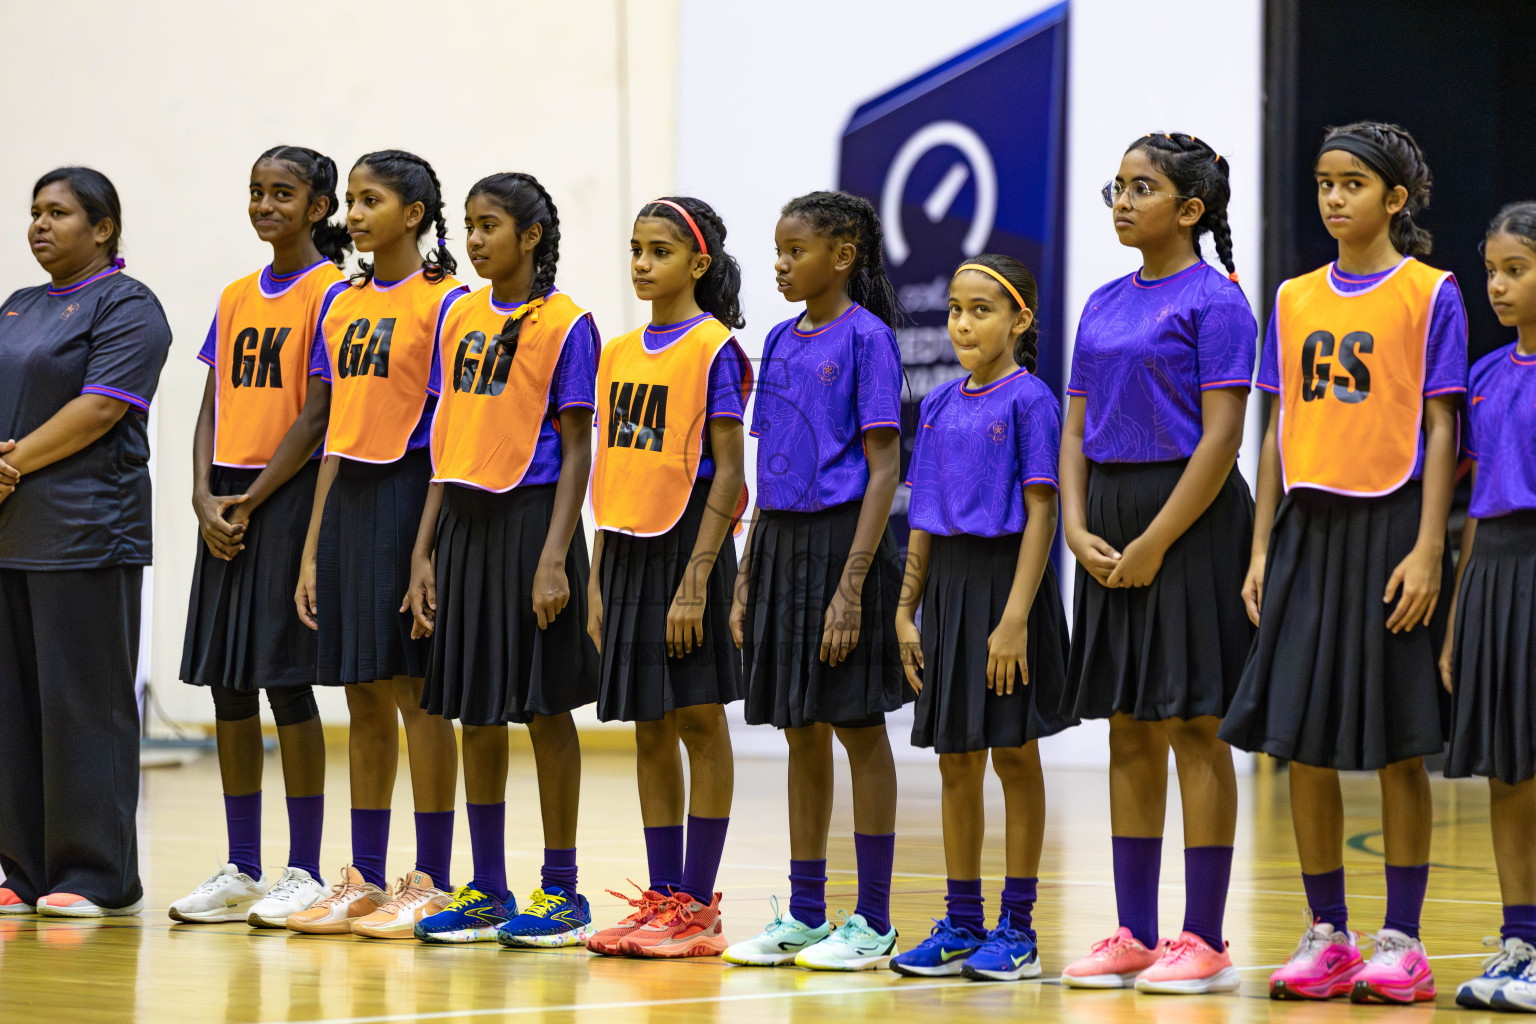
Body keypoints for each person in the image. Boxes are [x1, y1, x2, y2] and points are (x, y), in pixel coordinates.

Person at [1221, 122, 1465, 1006]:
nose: (1333, 197)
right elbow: (1277, 426)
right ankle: (1328, 933)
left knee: (1400, 746)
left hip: (1393, 526)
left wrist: (1431, 546)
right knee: (1301, 744)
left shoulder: (1431, 293)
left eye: (1353, 183)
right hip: (1307, 530)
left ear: (1395, 199)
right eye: (1325, 182)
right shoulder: (1291, 298)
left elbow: (1441, 425)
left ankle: (1404, 939)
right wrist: (1260, 543)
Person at [1058, 132, 1255, 995]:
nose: (1123, 201)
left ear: (1190, 209)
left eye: (1143, 188)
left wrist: (1157, 541)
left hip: (1190, 521)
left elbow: (1222, 438)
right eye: (1118, 186)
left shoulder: (1219, 305)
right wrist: (1073, 523)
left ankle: (1202, 938)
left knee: (1193, 725)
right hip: (1105, 520)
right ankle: (1134, 933)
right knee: (1128, 725)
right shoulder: (1100, 301)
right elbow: (1073, 429)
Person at [407, 172, 601, 948]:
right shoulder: (457, 316)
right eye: (470, 225)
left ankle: (562, 890)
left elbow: (579, 447)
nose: (476, 238)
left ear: (531, 237)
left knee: (544, 710)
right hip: (463, 527)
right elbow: (443, 441)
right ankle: (486, 887)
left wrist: (555, 557)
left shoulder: (567, 323)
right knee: (472, 713)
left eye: (491, 226)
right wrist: (423, 551)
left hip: (534, 526)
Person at [723, 191, 907, 972]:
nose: (781, 264)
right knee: (800, 729)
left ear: (843, 255)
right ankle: (804, 912)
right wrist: (743, 577)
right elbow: (771, 467)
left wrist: (852, 585)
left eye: (796, 250)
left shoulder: (869, 340)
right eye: (777, 249)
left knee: (857, 727)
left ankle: (872, 919)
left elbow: (884, 466)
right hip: (781, 545)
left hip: (844, 545)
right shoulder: (775, 338)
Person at [285, 150, 466, 939]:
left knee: (413, 694)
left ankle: (431, 877)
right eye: (351, 202)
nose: (353, 215)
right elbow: (331, 433)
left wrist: (425, 548)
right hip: (350, 500)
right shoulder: (339, 303)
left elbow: (455, 427)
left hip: (414, 493)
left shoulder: (448, 303)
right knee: (360, 693)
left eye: (370, 200)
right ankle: (361, 876)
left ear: (415, 214)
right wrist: (313, 543)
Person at [170, 146, 350, 928]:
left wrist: (250, 498)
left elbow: (317, 414)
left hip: (284, 498)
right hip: (229, 499)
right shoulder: (238, 294)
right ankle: (242, 866)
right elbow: (212, 397)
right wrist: (204, 492)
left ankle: (303, 869)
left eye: (283, 194)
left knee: (285, 682)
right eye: (255, 193)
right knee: (228, 685)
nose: (265, 205)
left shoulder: (333, 292)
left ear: (319, 207)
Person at [887, 255, 1073, 982]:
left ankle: (1017, 929)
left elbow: (1042, 513)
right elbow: (924, 518)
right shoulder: (935, 405)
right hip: (950, 594)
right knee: (955, 759)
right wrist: (907, 609)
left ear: (1020, 319)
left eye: (981, 309)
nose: (962, 322)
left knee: (1014, 755)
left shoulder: (1031, 401)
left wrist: (1016, 617)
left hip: (1007, 590)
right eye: (956, 309)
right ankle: (962, 921)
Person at [0, 167, 172, 918]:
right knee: (14, 709)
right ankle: (22, 871)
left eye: (59, 213)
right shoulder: (17, 306)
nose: (40, 224)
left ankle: (94, 876)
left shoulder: (127, 305)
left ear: (103, 228)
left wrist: (11, 463)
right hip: (11, 536)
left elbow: (101, 408)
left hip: (88, 534)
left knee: (83, 708)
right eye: (35, 212)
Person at [584, 197, 749, 960]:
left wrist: (698, 579)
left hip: (690, 545)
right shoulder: (616, 351)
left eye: (659, 251)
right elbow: (607, 469)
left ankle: (699, 903)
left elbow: (730, 475)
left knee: (698, 719)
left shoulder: (713, 347)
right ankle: (663, 897)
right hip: (624, 547)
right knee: (650, 724)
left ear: (698, 263)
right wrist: (593, 575)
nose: (643, 263)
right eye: (635, 249)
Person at [1439, 202, 1536, 1013]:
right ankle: (1521, 940)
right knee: (1509, 769)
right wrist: (1466, 606)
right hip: (1498, 575)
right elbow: (1475, 508)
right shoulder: (1485, 374)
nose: (1498, 287)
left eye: (1517, 270)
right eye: (1493, 272)